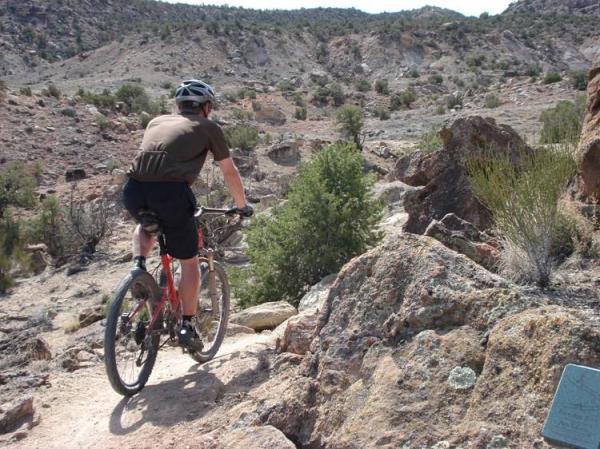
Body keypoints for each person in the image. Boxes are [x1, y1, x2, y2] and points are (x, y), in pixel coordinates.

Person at [122, 79, 253, 349]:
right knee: (189, 262)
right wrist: (242, 205)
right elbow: (229, 171)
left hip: (133, 190)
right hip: (171, 193)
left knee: (146, 223)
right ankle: (187, 326)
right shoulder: (208, 127)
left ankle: (138, 268)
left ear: (179, 106)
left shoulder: (156, 121)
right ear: (205, 107)